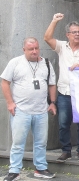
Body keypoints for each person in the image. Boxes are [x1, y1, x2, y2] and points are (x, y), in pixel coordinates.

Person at [1, 38, 57, 180]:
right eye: (31, 49)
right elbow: (5, 82)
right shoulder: (15, 62)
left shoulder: (46, 63)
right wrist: (10, 103)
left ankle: (40, 168)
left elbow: (51, 84)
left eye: (36, 48)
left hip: (41, 110)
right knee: (18, 142)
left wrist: (52, 102)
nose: (34, 51)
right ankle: (14, 171)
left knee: (41, 142)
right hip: (21, 110)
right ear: (23, 49)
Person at [44, 14, 79, 163]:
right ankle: (66, 151)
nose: (78, 34)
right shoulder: (61, 47)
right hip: (64, 92)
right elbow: (47, 38)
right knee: (63, 123)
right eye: (74, 32)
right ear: (68, 35)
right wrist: (54, 21)